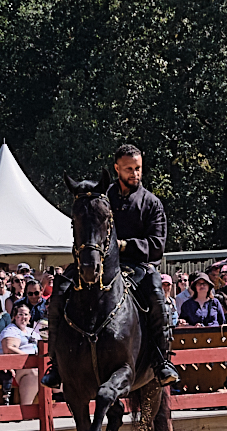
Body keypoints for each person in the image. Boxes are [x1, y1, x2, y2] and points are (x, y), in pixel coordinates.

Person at [42, 143, 176, 391]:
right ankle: (56, 363)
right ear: (117, 169)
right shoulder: (103, 197)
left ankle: (161, 361)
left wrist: (123, 246)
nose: (134, 174)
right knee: (60, 290)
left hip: (138, 266)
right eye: (128, 169)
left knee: (157, 297)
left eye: (137, 168)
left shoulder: (151, 203)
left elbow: (156, 245)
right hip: (97, 263)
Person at [0, 301, 41, 405]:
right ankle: (26, 407)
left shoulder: (33, 332)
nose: (23, 317)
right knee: (33, 372)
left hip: (37, 363)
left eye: (26, 314)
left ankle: (60, 400)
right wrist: (31, 359)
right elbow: (9, 349)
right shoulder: (11, 330)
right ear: (14, 317)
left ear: (30, 317)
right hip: (14, 368)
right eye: (20, 314)